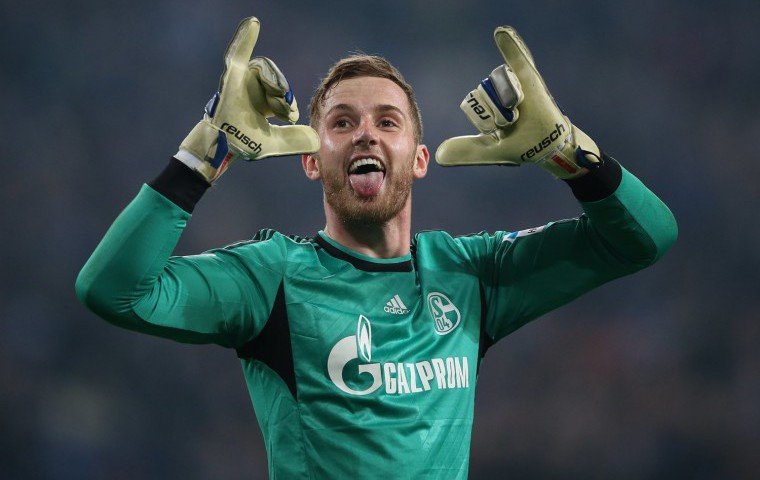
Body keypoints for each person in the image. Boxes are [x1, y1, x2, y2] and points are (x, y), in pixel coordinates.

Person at [76, 17, 677, 479]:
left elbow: (644, 239)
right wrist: (205, 153)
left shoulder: (472, 275)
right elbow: (112, 291)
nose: (365, 132)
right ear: (312, 161)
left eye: (388, 122)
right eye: (342, 123)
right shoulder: (272, 278)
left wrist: (568, 153)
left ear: (418, 160)